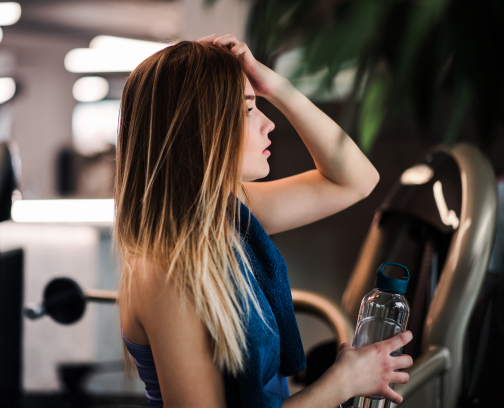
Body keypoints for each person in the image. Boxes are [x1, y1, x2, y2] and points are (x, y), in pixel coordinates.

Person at [114, 34, 413, 407]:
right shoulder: (166, 267)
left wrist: (277, 87)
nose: (268, 124)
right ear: (202, 128)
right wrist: (342, 383)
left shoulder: (225, 213)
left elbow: (356, 180)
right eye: (248, 110)